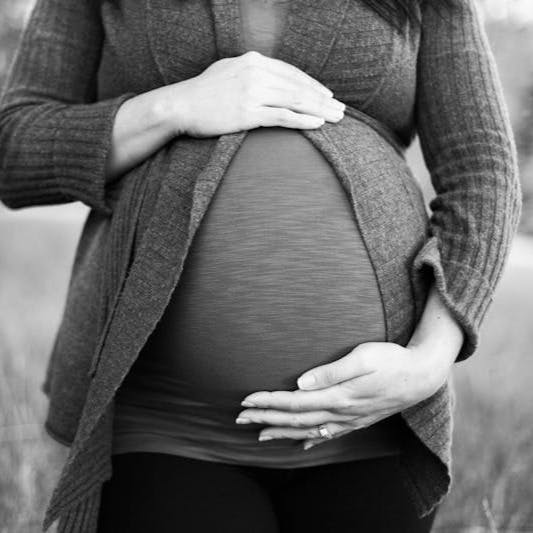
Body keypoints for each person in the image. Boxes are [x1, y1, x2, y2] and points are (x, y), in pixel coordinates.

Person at [0, 0, 521, 532]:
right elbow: (15, 150)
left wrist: (428, 362)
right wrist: (173, 106)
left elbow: (482, 172)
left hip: (374, 423)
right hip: (162, 426)